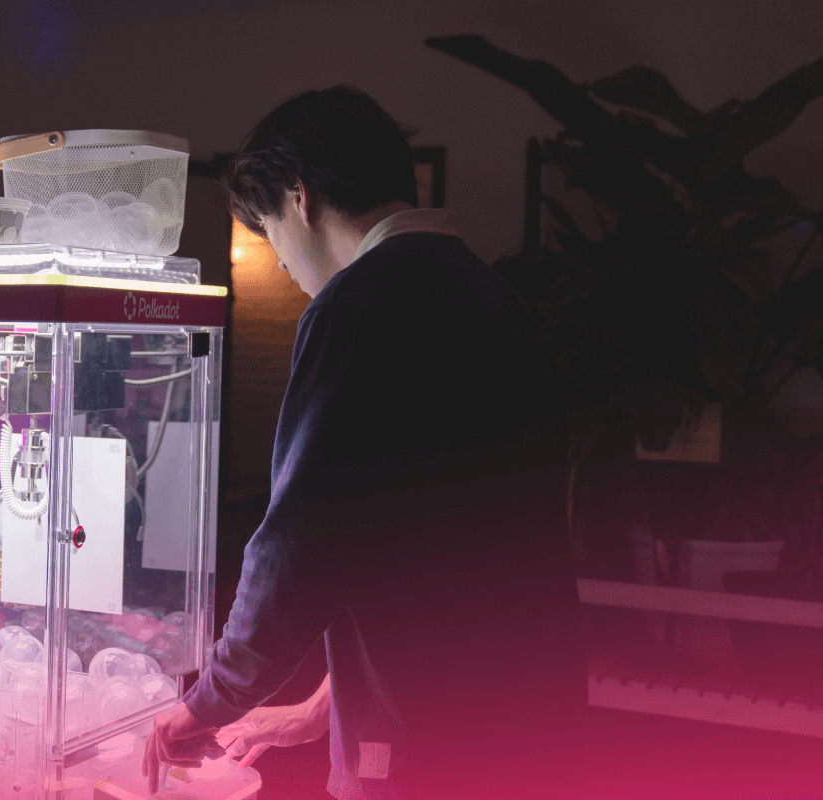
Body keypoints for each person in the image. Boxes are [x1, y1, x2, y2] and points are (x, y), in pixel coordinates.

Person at [143, 86, 587, 800]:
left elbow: (299, 545)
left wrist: (206, 705)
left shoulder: (358, 307)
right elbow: (439, 543)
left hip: (431, 746)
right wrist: (325, 706)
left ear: (302, 197)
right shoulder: (494, 298)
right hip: (527, 719)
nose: (284, 264)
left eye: (271, 233)